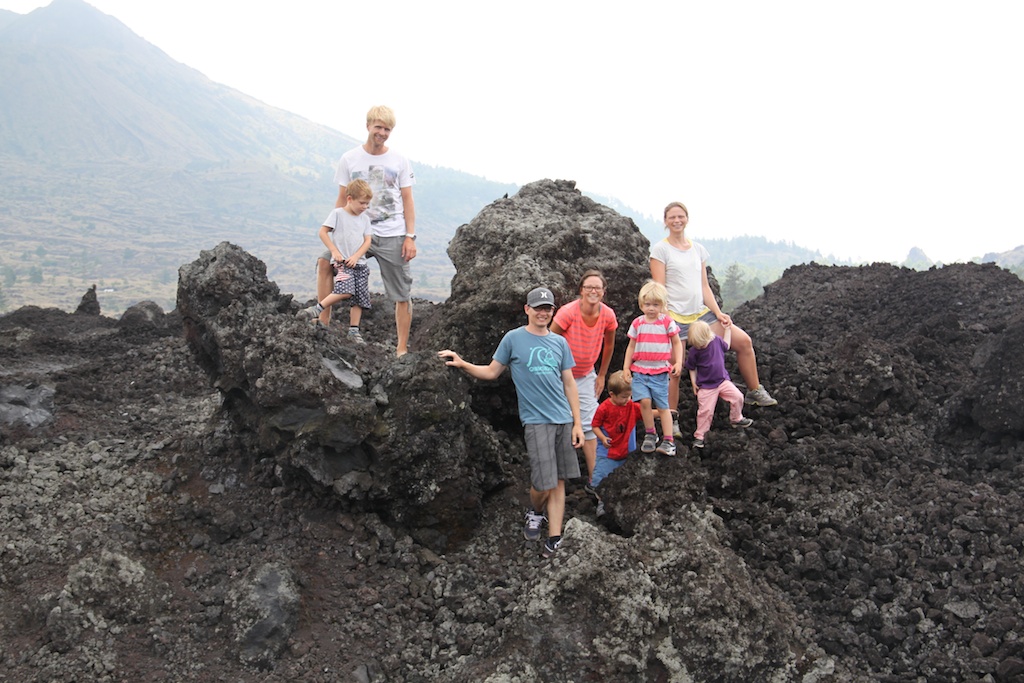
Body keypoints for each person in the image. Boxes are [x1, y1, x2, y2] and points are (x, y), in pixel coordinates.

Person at [438, 287, 584, 558]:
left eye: (548, 308)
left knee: (559, 480)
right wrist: (463, 363)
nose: (543, 312)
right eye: (538, 307)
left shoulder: (559, 343)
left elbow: (569, 383)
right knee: (543, 483)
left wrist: (577, 422)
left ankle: (554, 537)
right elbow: (492, 372)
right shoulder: (513, 339)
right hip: (536, 421)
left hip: (563, 419)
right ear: (526, 309)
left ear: (553, 311)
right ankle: (536, 511)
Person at [649, 201, 777, 437]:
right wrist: (665, 320)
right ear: (665, 221)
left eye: (681, 216)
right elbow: (659, 288)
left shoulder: (698, 250)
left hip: (701, 316)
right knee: (673, 369)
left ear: (687, 218)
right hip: (674, 317)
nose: (677, 221)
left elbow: (704, 286)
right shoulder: (661, 250)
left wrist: (718, 313)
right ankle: (672, 418)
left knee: (744, 342)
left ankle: (754, 390)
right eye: (672, 217)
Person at [320, 105, 417, 356]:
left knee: (401, 292)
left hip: (391, 233)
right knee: (324, 262)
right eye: (378, 127)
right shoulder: (349, 159)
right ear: (368, 126)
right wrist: (335, 230)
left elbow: (407, 199)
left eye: (387, 129)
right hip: (353, 232)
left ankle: (402, 348)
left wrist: (410, 236)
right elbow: (342, 198)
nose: (382, 133)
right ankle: (322, 325)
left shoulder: (399, 160)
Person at [550, 269, 617, 488]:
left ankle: (595, 481)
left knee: (591, 425)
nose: (593, 291)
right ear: (581, 290)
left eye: (597, 287)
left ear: (603, 292)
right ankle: (554, 478)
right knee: (557, 422)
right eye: (589, 287)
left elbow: (609, 344)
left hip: (586, 374)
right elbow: (550, 341)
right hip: (560, 375)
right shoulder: (568, 312)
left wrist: (602, 375)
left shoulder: (607, 315)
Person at [300, 180, 373, 342]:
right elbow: (323, 232)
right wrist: (334, 251)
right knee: (345, 290)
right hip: (343, 262)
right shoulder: (338, 214)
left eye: (367, 204)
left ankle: (354, 330)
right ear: (349, 199)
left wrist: (356, 256)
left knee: (360, 297)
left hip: (360, 264)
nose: (365, 207)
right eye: (362, 203)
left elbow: (367, 241)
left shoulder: (365, 219)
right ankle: (317, 309)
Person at [622, 280, 682, 457]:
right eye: (647, 304)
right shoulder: (638, 323)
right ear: (641, 304)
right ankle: (651, 434)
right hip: (639, 371)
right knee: (644, 402)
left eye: (656, 305)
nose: (651, 308)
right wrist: (626, 367)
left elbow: (677, 343)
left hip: (660, 372)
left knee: (663, 407)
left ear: (662, 305)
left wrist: (678, 362)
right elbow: (631, 346)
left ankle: (669, 440)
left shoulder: (667, 322)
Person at [684, 320, 753, 448]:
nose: (700, 346)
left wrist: (727, 330)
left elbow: (726, 345)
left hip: (722, 381)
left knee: (738, 397)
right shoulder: (694, 351)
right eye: (697, 344)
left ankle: (736, 418)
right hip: (705, 386)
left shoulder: (715, 340)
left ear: (707, 336)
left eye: (702, 343)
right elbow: (691, 367)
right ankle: (700, 436)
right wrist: (694, 383)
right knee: (705, 411)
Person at [590, 370, 642, 497]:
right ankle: (598, 499)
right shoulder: (603, 408)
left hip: (627, 453)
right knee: (601, 477)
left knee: (625, 482)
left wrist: (665, 413)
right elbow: (594, 426)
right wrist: (602, 438)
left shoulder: (631, 406)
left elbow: (648, 414)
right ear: (612, 394)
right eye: (624, 397)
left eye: (629, 396)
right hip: (608, 452)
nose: (627, 400)